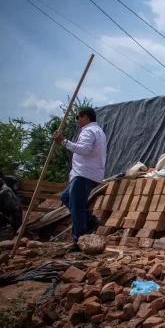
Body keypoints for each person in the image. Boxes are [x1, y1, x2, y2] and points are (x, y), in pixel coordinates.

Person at [54, 107, 107, 252]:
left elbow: (84, 149)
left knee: (77, 208)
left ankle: (78, 240)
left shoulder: (89, 131)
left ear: (86, 118)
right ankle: (90, 220)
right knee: (66, 197)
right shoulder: (98, 131)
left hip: (84, 174)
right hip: (87, 174)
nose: (77, 120)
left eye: (78, 117)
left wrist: (63, 142)